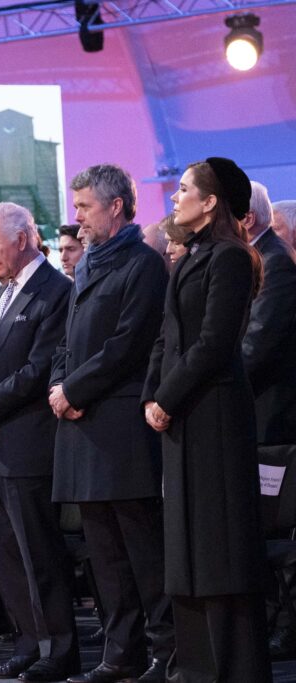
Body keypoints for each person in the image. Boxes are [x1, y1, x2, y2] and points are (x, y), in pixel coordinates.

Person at [143, 157, 270, 681]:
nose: (175, 198)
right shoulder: (194, 253)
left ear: (211, 201)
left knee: (219, 549)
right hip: (184, 414)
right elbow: (169, 336)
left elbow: (215, 343)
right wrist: (152, 395)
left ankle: (234, 669)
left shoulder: (230, 258)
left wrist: (166, 398)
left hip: (213, 413)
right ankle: (195, 668)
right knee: (188, 548)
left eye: (184, 190)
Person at [50, 165, 173, 683]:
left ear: (116, 207)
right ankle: (119, 654)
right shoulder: (87, 266)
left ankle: (166, 653)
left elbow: (127, 345)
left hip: (120, 426)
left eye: (84, 208)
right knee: (104, 555)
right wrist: (58, 386)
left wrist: (74, 390)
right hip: (83, 427)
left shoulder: (142, 265)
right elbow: (68, 339)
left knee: (142, 551)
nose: (76, 220)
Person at [0, 202, 78, 681]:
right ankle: (28, 645)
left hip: (27, 446)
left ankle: (60, 650)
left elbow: (38, 369)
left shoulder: (57, 291)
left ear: (24, 238)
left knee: (39, 556)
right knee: (7, 559)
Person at [242, 181, 296, 446]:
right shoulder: (257, 257)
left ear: (248, 218)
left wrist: (222, 384)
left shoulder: (273, 260)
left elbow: (260, 338)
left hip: (271, 409)